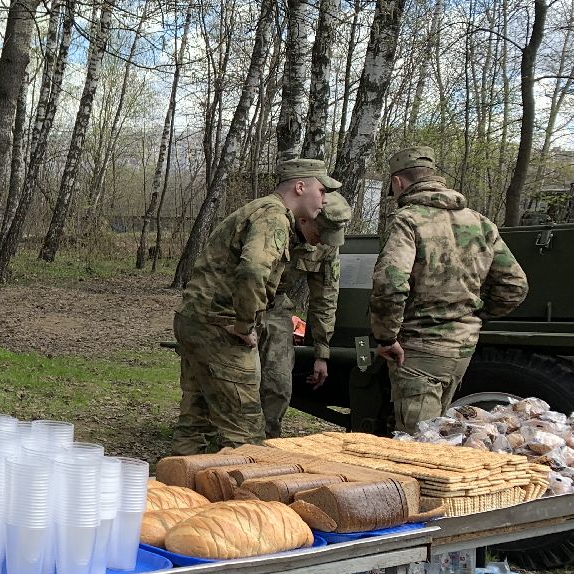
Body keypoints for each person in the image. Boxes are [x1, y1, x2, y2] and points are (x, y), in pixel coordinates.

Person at [171, 159, 336, 455]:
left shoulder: (258, 209)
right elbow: (253, 270)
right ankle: (242, 499)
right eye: (322, 190)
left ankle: (176, 492)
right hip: (221, 330)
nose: (324, 200)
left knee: (195, 421)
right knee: (245, 433)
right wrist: (245, 324)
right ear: (300, 187)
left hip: (195, 320)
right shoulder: (274, 216)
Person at [370, 145, 528, 433]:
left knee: (418, 444)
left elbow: (390, 282)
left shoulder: (408, 219)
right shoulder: (481, 223)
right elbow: (514, 285)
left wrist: (386, 336)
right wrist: (471, 317)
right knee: (440, 437)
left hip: (418, 348)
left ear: (398, 182)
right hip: (462, 348)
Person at [258, 191, 352, 438]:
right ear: (306, 220)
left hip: (276, 307)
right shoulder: (271, 225)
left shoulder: (328, 247)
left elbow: (325, 299)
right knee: (234, 380)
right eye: (320, 234)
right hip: (236, 305)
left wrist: (321, 353)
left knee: (278, 384)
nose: (323, 242)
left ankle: (266, 445)